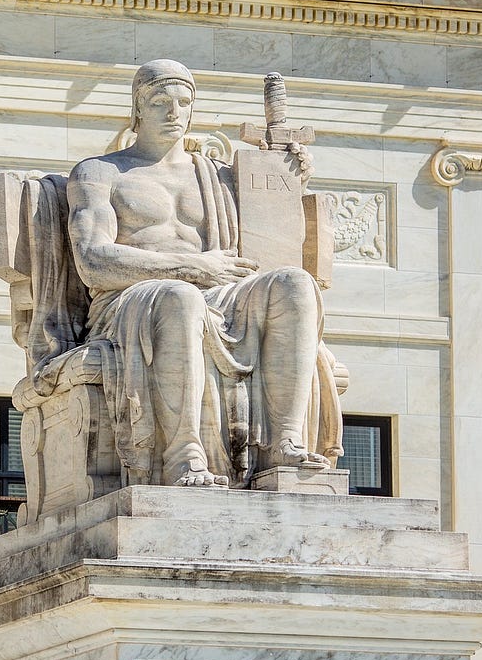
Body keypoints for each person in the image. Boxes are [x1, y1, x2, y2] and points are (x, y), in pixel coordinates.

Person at [66, 59, 337, 488]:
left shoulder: (217, 176)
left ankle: (284, 445)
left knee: (294, 285)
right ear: (137, 108)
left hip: (217, 291)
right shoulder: (100, 172)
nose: (174, 112)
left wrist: (290, 178)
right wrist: (191, 267)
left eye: (184, 102)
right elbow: (93, 260)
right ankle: (183, 454)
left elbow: (274, 235)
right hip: (130, 299)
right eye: (159, 101)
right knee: (179, 296)